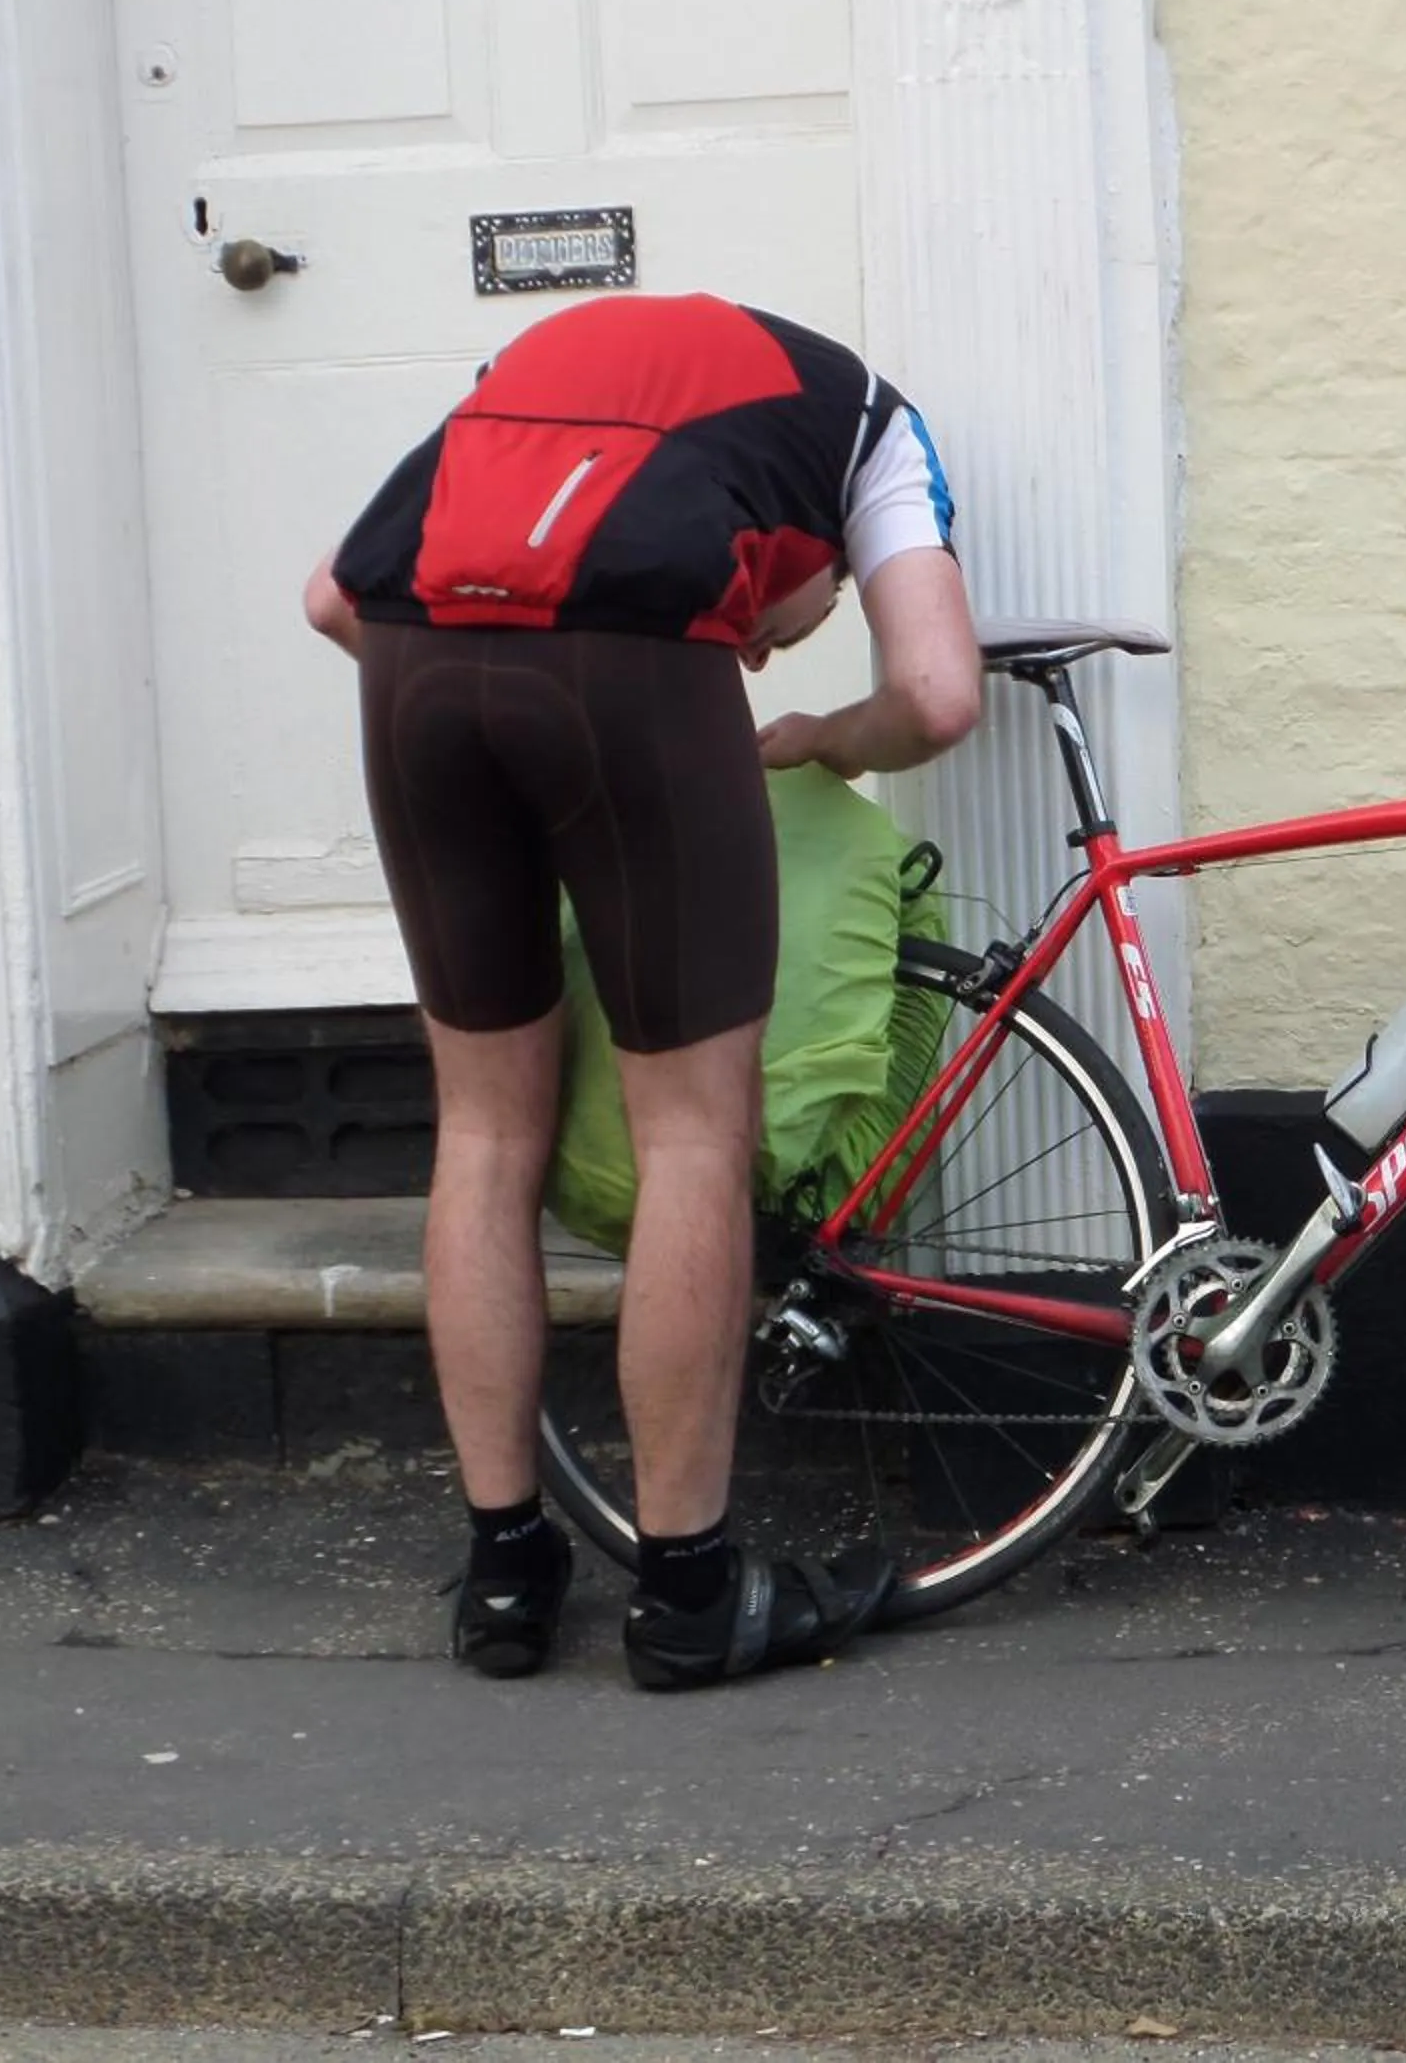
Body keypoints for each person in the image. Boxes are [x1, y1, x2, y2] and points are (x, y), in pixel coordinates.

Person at [303, 291, 983, 1690]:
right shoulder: (875, 427)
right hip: (622, 679)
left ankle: (503, 1576)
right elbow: (938, 693)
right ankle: (686, 1593)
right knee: (694, 1134)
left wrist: (498, 701)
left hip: (416, 671)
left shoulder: (544, 369)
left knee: (484, 1133)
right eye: (797, 622)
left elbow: (331, 597)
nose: (770, 639)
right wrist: (811, 732)